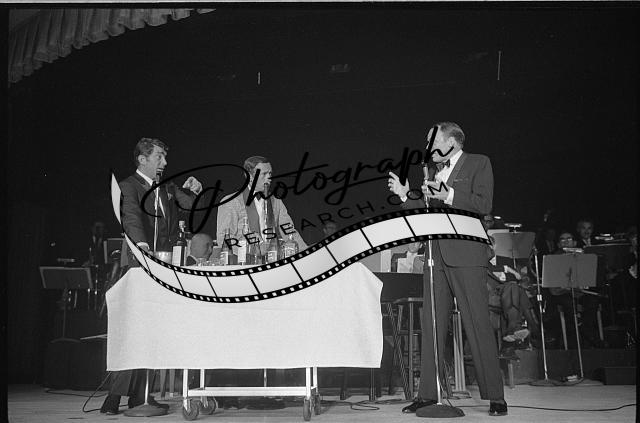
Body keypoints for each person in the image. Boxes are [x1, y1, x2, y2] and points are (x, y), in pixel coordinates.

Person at [387, 122, 506, 416]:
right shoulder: (431, 171)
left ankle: (495, 396)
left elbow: (484, 204)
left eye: (432, 141)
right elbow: (423, 213)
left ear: (451, 141)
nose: (427, 147)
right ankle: (428, 394)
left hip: (466, 255)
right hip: (434, 256)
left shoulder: (478, 163)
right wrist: (406, 196)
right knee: (431, 325)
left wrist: (449, 194)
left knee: (477, 323)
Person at [101, 138, 203, 415]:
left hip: (163, 267)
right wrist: (143, 247)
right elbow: (131, 217)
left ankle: (138, 397)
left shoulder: (167, 187)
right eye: (159, 157)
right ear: (142, 159)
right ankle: (115, 396)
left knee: (154, 331)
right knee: (134, 331)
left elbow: (189, 205)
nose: (165, 163)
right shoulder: (128, 186)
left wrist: (195, 190)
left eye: (165, 157)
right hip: (139, 264)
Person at [216, 156, 307, 258]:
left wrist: (305, 252)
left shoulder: (276, 201)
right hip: (243, 260)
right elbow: (223, 238)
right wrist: (249, 249)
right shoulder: (231, 202)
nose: (269, 178)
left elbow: (289, 231)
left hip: (273, 257)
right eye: (264, 174)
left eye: (270, 173)